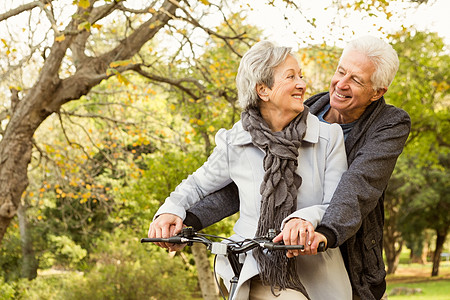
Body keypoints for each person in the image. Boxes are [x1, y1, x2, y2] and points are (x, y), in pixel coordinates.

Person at [183, 36, 411, 300]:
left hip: (350, 255)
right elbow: (256, 182)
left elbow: (360, 185)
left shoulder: (389, 124)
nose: (341, 84)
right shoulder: (302, 111)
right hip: (291, 257)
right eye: (340, 71)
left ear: (377, 92)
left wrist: (323, 233)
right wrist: (189, 219)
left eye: (356, 80)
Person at [149, 40, 352, 300]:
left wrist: (304, 219)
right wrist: (169, 211)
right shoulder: (237, 140)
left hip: (316, 268)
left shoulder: (328, 137)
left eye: (300, 75)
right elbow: (198, 185)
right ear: (263, 90)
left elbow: (336, 203)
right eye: (291, 77)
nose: (302, 84)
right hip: (252, 265)